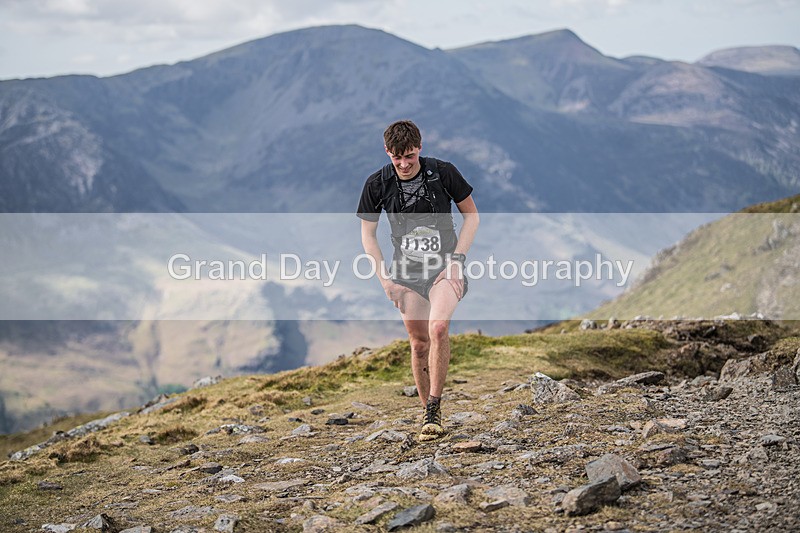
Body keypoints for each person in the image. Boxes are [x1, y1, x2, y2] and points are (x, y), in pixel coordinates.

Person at [357, 120, 479, 441]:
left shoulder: (443, 172)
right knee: (419, 343)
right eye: (397, 158)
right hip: (405, 274)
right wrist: (385, 281)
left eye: (410, 156)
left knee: (438, 328)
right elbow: (367, 235)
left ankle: (434, 405)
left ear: (419, 148)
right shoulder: (377, 184)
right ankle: (429, 416)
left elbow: (472, 215)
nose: (404, 164)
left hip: (444, 268)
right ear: (388, 152)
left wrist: (457, 260)